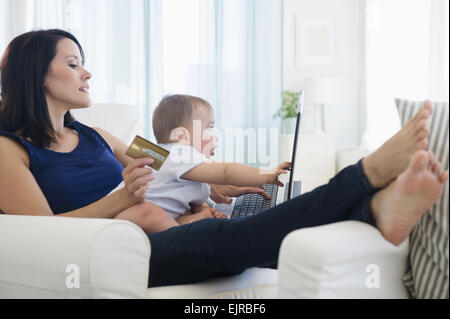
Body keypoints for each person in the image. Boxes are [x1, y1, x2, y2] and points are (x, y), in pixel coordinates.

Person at [0, 29, 447, 288]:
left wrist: (211, 185)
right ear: (35, 74)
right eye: (74, 63)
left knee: (240, 227)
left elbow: (168, 161)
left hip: (155, 226)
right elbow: (39, 235)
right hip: (110, 251)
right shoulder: (8, 150)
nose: (88, 72)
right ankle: (366, 179)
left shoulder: (98, 134)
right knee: (224, 237)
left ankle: (374, 210)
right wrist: (120, 206)